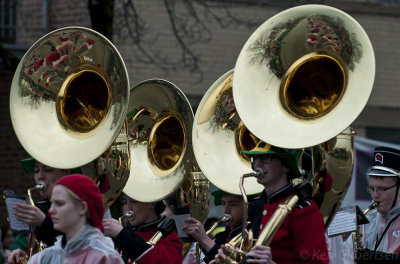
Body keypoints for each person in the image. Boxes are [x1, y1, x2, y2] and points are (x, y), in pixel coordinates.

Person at [211, 142, 329, 264]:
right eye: (255, 158)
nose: (257, 163)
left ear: (285, 166)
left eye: (266, 158)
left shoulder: (303, 210)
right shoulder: (254, 207)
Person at [9, 174, 123, 264]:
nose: (51, 210)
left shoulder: (105, 258)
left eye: (59, 203)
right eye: (52, 203)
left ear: (82, 207)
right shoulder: (42, 258)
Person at [102, 193, 182, 263]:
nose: (127, 208)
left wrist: (121, 234)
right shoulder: (129, 232)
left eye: (134, 201)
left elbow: (160, 260)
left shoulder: (172, 233)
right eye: (125, 202)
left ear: (152, 203)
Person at [356, 146, 400, 263]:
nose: (375, 195)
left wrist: (373, 257)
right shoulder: (368, 218)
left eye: (382, 189)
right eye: (371, 188)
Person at [182, 190, 247, 264]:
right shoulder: (219, 237)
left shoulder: (250, 237)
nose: (225, 210)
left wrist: (204, 239)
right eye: (223, 204)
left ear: (247, 207)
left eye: (233, 204)